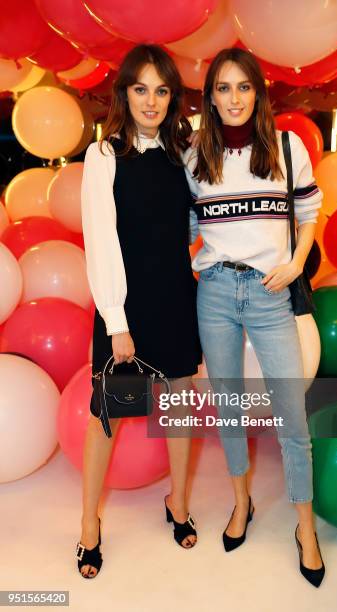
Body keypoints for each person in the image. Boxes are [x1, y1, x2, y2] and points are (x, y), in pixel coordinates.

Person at [184, 47, 325, 587]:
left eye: (244, 87)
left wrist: (293, 263)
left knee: (292, 419)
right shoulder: (197, 157)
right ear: (211, 96)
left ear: (259, 93)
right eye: (223, 88)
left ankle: (305, 529)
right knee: (229, 408)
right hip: (216, 291)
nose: (234, 98)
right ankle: (242, 504)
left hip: (269, 294)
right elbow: (178, 225)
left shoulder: (287, 147)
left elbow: (309, 213)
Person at [78, 44, 202, 578]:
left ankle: (177, 502)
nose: (150, 101)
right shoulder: (104, 155)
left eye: (161, 90)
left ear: (172, 97)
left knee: (178, 409)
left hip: (176, 299)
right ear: (123, 93)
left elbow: (195, 228)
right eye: (140, 88)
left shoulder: (185, 154)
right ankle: (88, 525)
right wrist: (116, 320)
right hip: (126, 307)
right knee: (108, 417)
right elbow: (100, 239)